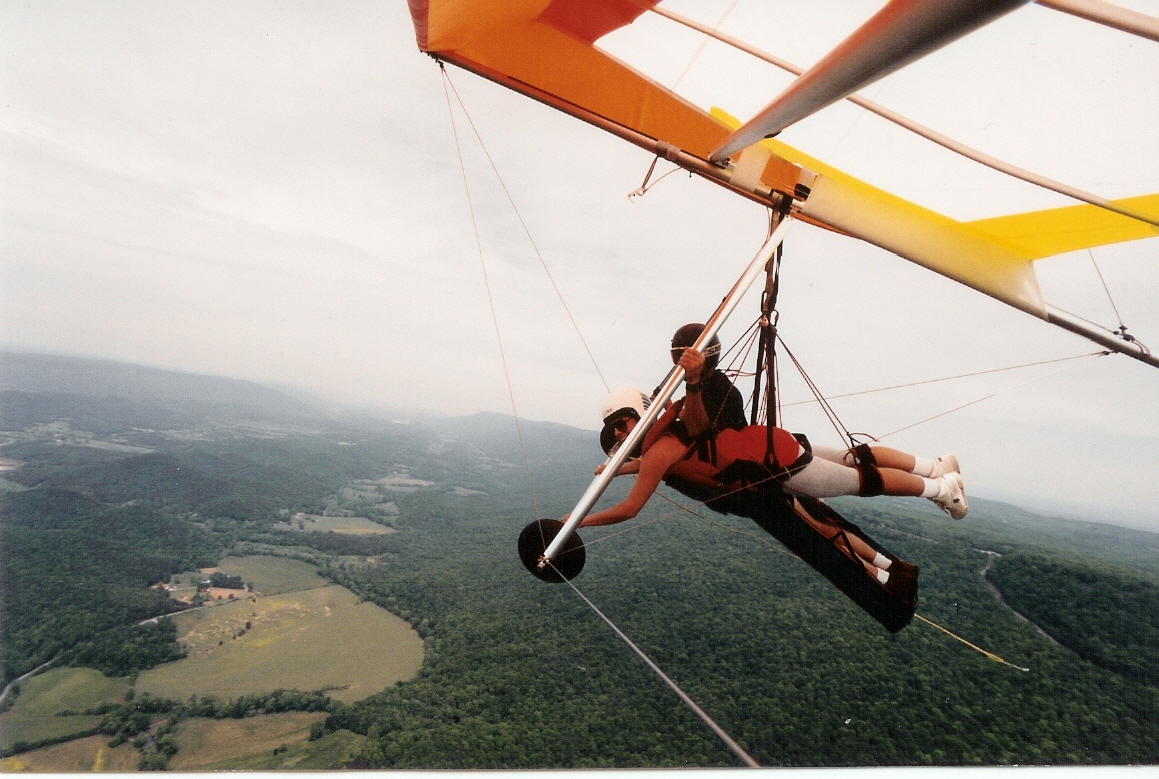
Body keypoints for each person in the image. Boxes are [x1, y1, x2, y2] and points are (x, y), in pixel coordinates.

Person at [586, 384, 966, 602]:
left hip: (778, 466)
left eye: (623, 423)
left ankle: (939, 489)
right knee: (854, 457)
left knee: (863, 481)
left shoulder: (661, 448)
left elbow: (631, 508)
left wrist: (576, 522)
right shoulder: (673, 429)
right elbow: (666, 459)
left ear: (641, 413)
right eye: (616, 431)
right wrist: (620, 465)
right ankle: (935, 466)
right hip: (774, 444)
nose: (621, 434)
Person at [668, 323, 746, 439]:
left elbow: (696, 429)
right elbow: (687, 416)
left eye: (686, 358)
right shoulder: (706, 385)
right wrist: (670, 406)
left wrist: (693, 382)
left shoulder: (724, 391)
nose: (681, 364)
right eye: (678, 357)